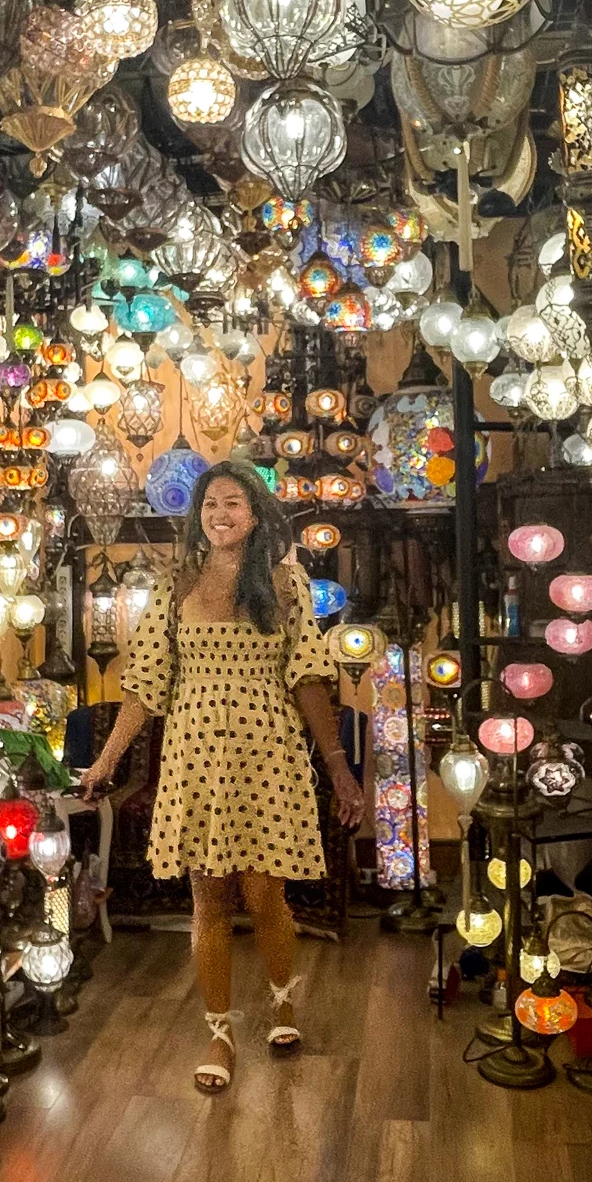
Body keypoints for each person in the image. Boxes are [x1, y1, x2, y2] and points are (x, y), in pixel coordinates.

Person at [77, 460, 364, 1092]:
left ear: (256, 515)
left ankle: (283, 1000)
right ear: (198, 517)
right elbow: (145, 687)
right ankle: (220, 1032)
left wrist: (339, 769)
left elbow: (310, 679)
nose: (221, 514)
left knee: (264, 893)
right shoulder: (177, 584)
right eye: (210, 505)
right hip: (196, 758)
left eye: (234, 503)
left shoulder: (285, 583)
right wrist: (106, 762)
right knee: (209, 897)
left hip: (269, 754)